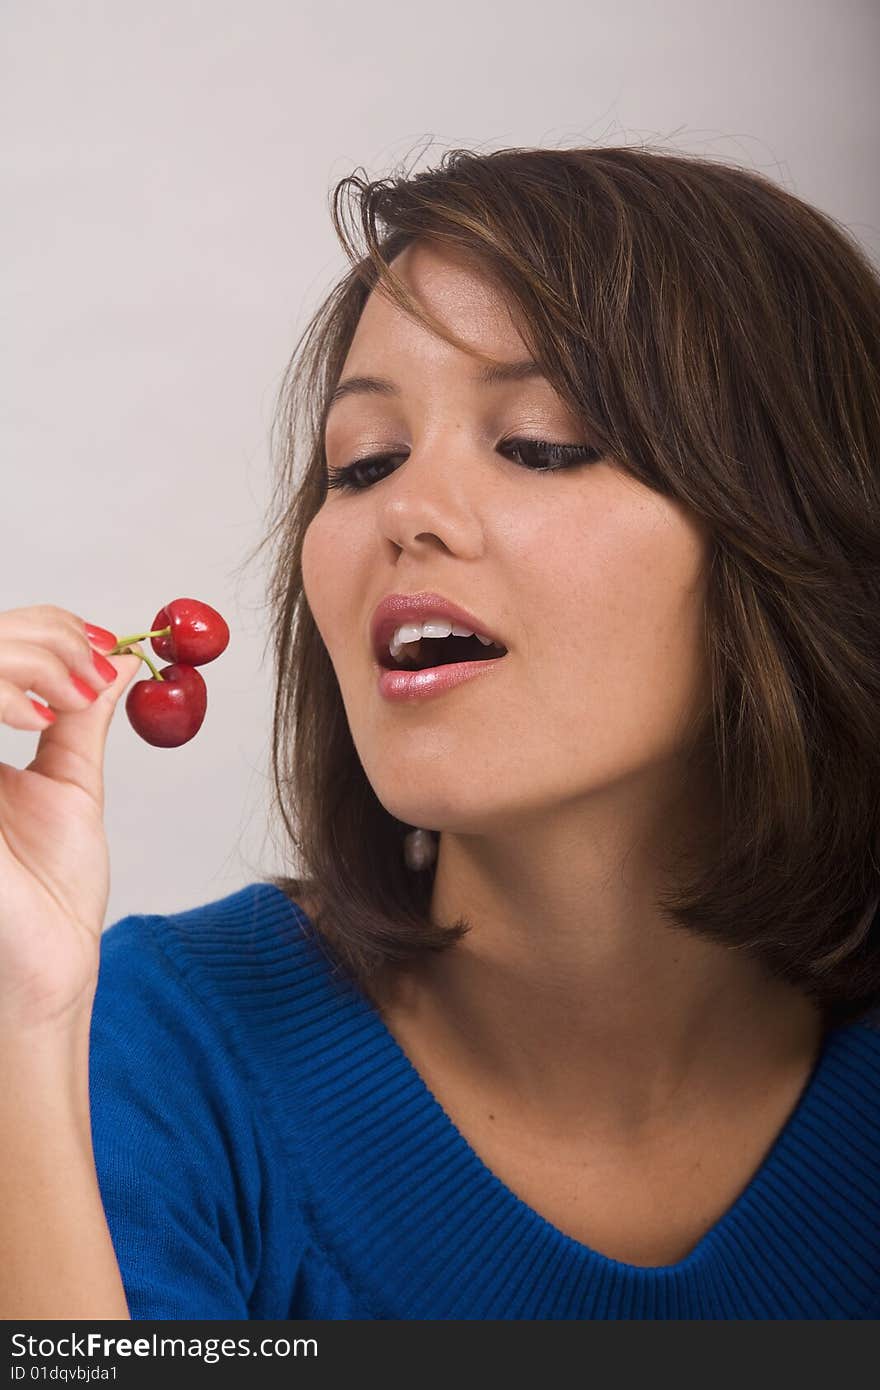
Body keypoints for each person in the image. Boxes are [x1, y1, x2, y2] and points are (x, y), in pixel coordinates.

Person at [2, 143, 879, 1321]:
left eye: (540, 445)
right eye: (361, 464)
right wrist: (23, 1022)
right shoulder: (155, 1049)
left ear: (793, 525)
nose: (402, 511)